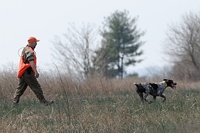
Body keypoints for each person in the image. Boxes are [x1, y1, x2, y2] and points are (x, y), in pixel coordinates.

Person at [12, 36, 53, 106]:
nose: (36, 44)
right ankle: (44, 103)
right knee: (36, 87)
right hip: (27, 72)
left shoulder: (25, 49)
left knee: (20, 89)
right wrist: (36, 71)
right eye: (35, 42)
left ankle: (14, 104)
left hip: (23, 72)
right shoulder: (29, 50)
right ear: (31, 43)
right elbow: (31, 61)